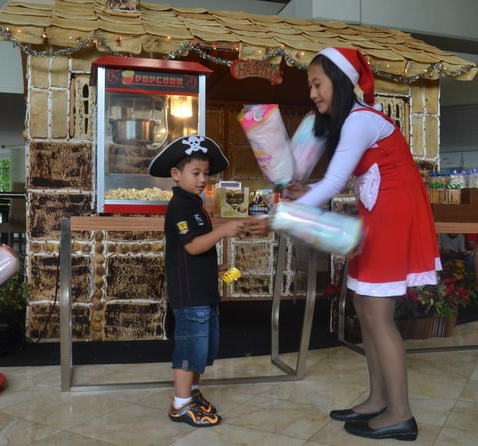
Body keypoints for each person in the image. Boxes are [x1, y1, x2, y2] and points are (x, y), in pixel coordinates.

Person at [246, 47, 441, 441]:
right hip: (378, 216)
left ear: (339, 81)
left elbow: (336, 184)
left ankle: (401, 413)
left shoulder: (360, 120)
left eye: (317, 84)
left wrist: (282, 214)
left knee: (377, 314)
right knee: (365, 307)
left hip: (392, 218)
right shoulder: (352, 122)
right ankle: (377, 399)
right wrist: (303, 191)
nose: (314, 94)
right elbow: (337, 181)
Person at [148, 135, 245, 427]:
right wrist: (223, 231)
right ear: (176, 175)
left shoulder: (195, 205)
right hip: (190, 297)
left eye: (206, 173)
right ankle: (180, 405)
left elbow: (194, 250)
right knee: (190, 349)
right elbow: (191, 246)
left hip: (203, 290)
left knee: (203, 347)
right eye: (196, 173)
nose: (203, 178)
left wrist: (214, 268)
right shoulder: (179, 206)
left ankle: (191, 393)